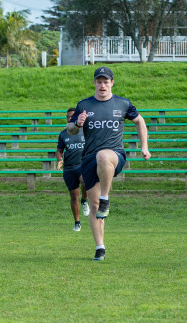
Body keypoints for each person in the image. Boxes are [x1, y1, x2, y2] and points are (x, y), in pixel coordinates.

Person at [68, 66, 151, 261]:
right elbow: (69, 129)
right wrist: (78, 123)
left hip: (114, 155)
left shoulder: (123, 103)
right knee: (94, 206)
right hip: (89, 159)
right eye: (99, 81)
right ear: (94, 83)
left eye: (106, 81)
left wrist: (144, 147)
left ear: (112, 83)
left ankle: (106, 198)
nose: (102, 85)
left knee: (104, 156)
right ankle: (100, 247)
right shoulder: (84, 105)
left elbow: (140, 121)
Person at [57, 107, 89, 231]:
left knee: (85, 181)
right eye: (68, 117)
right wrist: (60, 160)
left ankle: (85, 200)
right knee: (73, 196)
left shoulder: (86, 131)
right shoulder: (64, 133)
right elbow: (59, 150)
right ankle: (77, 222)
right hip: (69, 168)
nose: (70, 118)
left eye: (72, 116)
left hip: (83, 164)